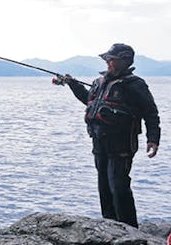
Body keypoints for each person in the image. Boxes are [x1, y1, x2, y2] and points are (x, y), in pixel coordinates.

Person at [62, 43, 160, 228]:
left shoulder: (135, 85)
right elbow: (88, 99)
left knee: (118, 185)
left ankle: (129, 229)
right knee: (104, 186)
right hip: (99, 142)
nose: (107, 62)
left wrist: (153, 139)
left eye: (111, 59)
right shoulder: (99, 83)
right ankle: (110, 227)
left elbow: (150, 112)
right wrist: (73, 84)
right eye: (106, 59)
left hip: (121, 144)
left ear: (125, 61)